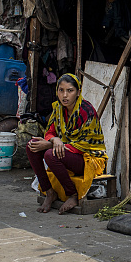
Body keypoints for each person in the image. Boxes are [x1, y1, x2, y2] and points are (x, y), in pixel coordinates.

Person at [26, 74, 107, 214]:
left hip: (88, 159)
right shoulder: (58, 109)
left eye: (70, 91)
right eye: (61, 90)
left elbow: (84, 145)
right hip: (66, 153)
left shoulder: (86, 111)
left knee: (51, 154)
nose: (65, 95)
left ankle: (73, 195)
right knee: (31, 145)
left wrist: (52, 145)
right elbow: (49, 132)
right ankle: (49, 192)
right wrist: (53, 140)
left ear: (78, 92)